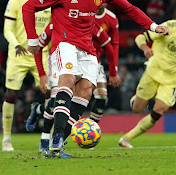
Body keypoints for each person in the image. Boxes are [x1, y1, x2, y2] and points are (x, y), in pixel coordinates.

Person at [22, 0, 168, 157]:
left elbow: (130, 9)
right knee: (68, 80)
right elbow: (29, 7)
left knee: (86, 91)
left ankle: (58, 143)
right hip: (64, 43)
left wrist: (153, 26)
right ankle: (54, 138)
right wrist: (33, 39)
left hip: (87, 48)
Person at [119, 0, 176, 148]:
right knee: (137, 109)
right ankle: (138, 98)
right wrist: (145, 48)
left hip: (174, 80)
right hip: (153, 71)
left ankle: (126, 138)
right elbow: (140, 37)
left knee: (159, 110)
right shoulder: (167, 27)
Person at [29, 21, 120, 154]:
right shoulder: (55, 23)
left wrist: (113, 71)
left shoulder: (90, 21)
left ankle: (54, 142)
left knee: (78, 100)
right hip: (57, 59)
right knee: (56, 101)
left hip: (84, 61)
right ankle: (45, 140)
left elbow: (109, 45)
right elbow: (38, 45)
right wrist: (42, 74)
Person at [2, 0, 50, 151]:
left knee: (50, 95)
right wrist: (16, 45)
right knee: (11, 94)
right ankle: (6, 139)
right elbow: (7, 28)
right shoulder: (16, 0)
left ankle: (46, 138)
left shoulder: (51, 0)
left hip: (43, 54)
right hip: (19, 55)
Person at [90, 3, 119, 123]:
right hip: (75, 59)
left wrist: (114, 70)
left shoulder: (111, 19)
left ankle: (91, 128)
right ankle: (40, 110)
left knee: (101, 97)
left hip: (95, 61)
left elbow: (114, 44)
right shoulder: (84, 13)